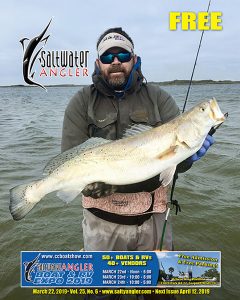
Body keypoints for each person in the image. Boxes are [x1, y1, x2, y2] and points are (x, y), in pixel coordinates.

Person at [61, 27, 214, 253]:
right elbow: (70, 155)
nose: (115, 62)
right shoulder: (82, 102)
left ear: (133, 59)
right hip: (101, 226)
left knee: (156, 287)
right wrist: (88, 186)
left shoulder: (158, 98)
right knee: (104, 288)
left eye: (122, 55)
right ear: (97, 62)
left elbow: (175, 165)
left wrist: (189, 157)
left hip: (153, 220)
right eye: (107, 56)